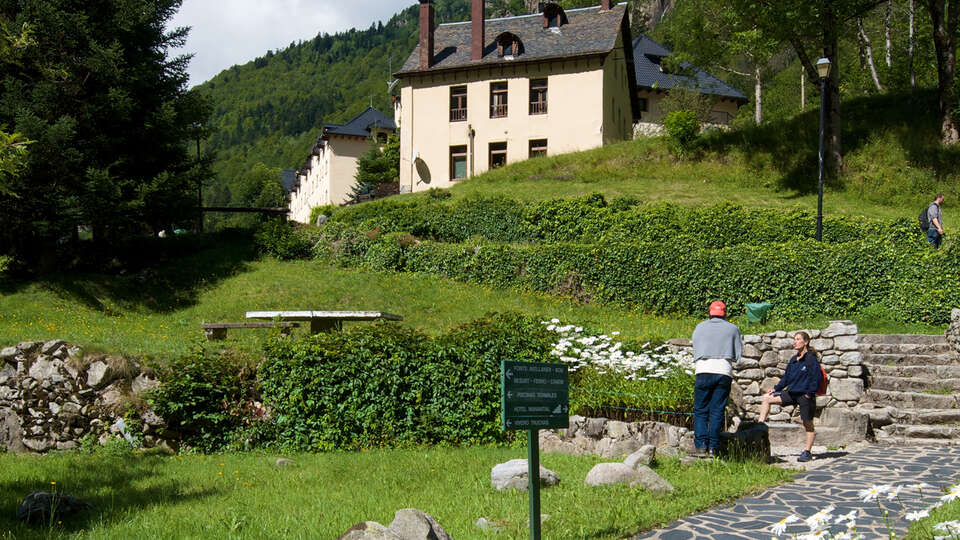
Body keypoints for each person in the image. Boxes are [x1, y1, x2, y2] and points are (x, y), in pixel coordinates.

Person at [757, 331, 821, 463]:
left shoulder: (811, 359)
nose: (795, 342)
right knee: (767, 398)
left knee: (807, 423)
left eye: (798, 339)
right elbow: (786, 378)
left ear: (806, 342)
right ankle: (759, 427)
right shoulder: (793, 359)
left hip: (804, 395)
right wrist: (775, 388)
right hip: (791, 393)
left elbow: (817, 378)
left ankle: (807, 452)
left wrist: (809, 394)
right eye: (794, 339)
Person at [691, 300, 742, 457]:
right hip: (723, 371)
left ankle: (700, 446)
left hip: (703, 369)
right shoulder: (733, 329)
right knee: (717, 410)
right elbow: (737, 354)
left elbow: (695, 347)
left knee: (700, 410)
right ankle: (713, 447)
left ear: (709, 312)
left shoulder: (700, 327)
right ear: (724, 313)